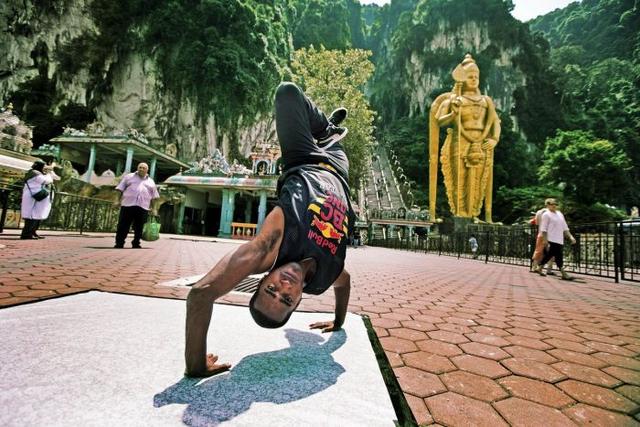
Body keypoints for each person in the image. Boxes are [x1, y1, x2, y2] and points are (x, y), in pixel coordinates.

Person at [184, 82, 354, 377]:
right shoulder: (322, 278)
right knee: (321, 129)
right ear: (300, 300)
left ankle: (324, 128)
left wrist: (196, 367)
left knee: (288, 93)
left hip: (303, 160)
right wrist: (338, 322)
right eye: (287, 298)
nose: (284, 286)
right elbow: (344, 282)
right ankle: (327, 134)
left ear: (263, 278)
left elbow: (200, 295)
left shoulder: (269, 248)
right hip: (338, 168)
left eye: (271, 289)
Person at [429, 54, 501, 222]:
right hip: (459, 142)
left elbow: (495, 122)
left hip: (481, 142)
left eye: (476, 76)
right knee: (458, 179)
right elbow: (439, 120)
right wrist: (454, 112)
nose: (474, 79)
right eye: (470, 76)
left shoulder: (486, 101)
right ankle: (460, 214)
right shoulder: (455, 99)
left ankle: (476, 214)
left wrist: (494, 139)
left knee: (478, 179)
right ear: (462, 79)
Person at [113, 162, 160, 248]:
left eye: (143, 168)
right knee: (123, 225)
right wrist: (116, 201)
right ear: (137, 168)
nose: (141, 169)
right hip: (128, 205)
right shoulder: (129, 177)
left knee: (139, 227)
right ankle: (119, 243)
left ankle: (136, 243)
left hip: (143, 207)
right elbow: (119, 189)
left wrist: (154, 209)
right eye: (140, 167)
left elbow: (154, 197)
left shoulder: (151, 181)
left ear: (147, 170)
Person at [535, 198, 576, 280]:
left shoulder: (560, 214)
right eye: (551, 204)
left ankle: (539, 267)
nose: (554, 205)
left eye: (555, 204)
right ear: (547, 205)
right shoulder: (546, 214)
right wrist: (545, 239)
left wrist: (571, 237)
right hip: (551, 238)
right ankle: (563, 273)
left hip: (559, 238)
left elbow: (565, 227)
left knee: (551, 254)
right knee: (558, 255)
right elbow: (543, 228)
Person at [20, 160, 55, 239]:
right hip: (32, 196)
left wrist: (49, 171)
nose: (44, 168)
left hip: (34, 195)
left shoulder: (35, 173)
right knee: (31, 216)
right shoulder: (35, 173)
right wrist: (49, 173)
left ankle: (32, 232)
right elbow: (47, 181)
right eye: (43, 166)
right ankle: (26, 234)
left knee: (35, 215)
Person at [530, 204, 555, 274]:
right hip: (550, 235)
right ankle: (549, 270)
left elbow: (537, 223)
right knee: (552, 251)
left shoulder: (538, 212)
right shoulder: (551, 212)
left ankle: (534, 267)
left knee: (538, 250)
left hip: (541, 233)